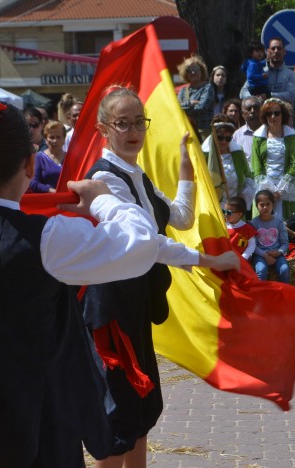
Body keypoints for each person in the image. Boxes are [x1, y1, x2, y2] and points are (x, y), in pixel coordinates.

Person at [0, 99, 165, 467]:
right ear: (28, 164)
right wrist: (104, 203)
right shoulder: (47, 237)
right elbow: (142, 244)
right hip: (30, 421)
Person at [83, 86, 240, 467]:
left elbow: (181, 217)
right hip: (110, 311)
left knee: (142, 408)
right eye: (123, 123)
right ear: (104, 128)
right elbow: (148, 243)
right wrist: (209, 260)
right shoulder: (106, 179)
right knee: (119, 416)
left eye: (139, 121)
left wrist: (187, 166)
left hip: (135, 305)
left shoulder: (137, 176)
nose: (133, 130)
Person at [250, 97, 295, 220]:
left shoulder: (291, 136)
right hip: (265, 187)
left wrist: (281, 190)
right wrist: (269, 192)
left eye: (277, 113)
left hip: (285, 188)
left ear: (283, 115)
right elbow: (256, 165)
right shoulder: (258, 137)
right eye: (269, 114)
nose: (273, 117)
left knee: (287, 224)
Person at [201, 114, 256, 209]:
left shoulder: (238, 153)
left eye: (228, 138)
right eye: (220, 137)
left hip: (234, 209)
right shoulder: (204, 155)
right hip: (213, 208)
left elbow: (248, 177)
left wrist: (241, 198)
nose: (224, 141)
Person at [240, 37, 295, 105]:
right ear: (267, 51)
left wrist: (269, 95)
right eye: (273, 48)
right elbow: (242, 93)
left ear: (284, 52)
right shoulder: (259, 70)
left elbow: (291, 96)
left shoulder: (290, 74)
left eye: (279, 48)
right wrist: (255, 97)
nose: (276, 51)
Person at [250, 189, 290, 283]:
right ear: (257, 206)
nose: (265, 207)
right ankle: (261, 295)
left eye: (268, 204)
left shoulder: (279, 222)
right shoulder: (253, 224)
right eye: (262, 205)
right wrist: (265, 255)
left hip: (277, 254)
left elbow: (285, 243)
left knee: (284, 270)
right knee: (261, 270)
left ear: (273, 205)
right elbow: (252, 245)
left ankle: (284, 294)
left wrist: (279, 252)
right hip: (260, 255)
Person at [177, 55, 215, 141]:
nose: (193, 72)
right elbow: (177, 109)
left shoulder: (207, 87)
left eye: (196, 69)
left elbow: (202, 108)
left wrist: (185, 107)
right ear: (185, 74)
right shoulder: (184, 91)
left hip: (204, 132)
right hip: (188, 131)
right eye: (189, 70)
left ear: (202, 71)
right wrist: (191, 103)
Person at [30, 120, 66, 193]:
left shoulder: (70, 158)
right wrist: (50, 190)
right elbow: (33, 183)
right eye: (51, 137)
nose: (55, 141)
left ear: (64, 139)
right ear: (46, 139)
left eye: (58, 137)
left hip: (67, 201)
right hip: (48, 201)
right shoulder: (39, 158)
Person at [224, 196, 256, 260]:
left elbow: (251, 244)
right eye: (224, 211)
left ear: (239, 214)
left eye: (229, 212)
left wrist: (244, 257)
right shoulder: (222, 226)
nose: (225, 214)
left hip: (240, 259)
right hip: (224, 258)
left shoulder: (247, 229)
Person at [232, 96, 261, 163]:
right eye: (249, 108)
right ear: (242, 114)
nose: (253, 111)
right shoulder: (237, 135)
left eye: (256, 108)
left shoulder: (270, 131)